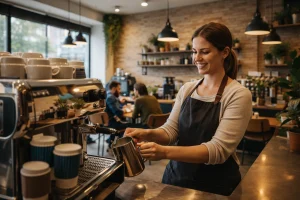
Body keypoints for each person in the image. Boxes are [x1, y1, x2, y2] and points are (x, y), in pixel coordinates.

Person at [124, 22, 252, 196]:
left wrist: (164, 152)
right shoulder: (188, 89)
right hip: (177, 178)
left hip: (215, 186)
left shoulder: (238, 94)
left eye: (204, 52)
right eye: (194, 51)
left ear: (225, 52)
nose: (196, 58)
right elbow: (171, 131)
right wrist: (147, 133)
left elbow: (218, 150)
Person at [105, 81, 130, 147]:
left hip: (112, 120)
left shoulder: (110, 96)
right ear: (113, 89)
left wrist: (122, 108)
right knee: (129, 125)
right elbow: (117, 112)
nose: (120, 91)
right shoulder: (110, 97)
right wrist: (124, 110)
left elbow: (116, 107)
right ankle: (117, 145)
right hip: (111, 122)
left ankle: (113, 142)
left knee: (126, 124)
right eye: (119, 89)